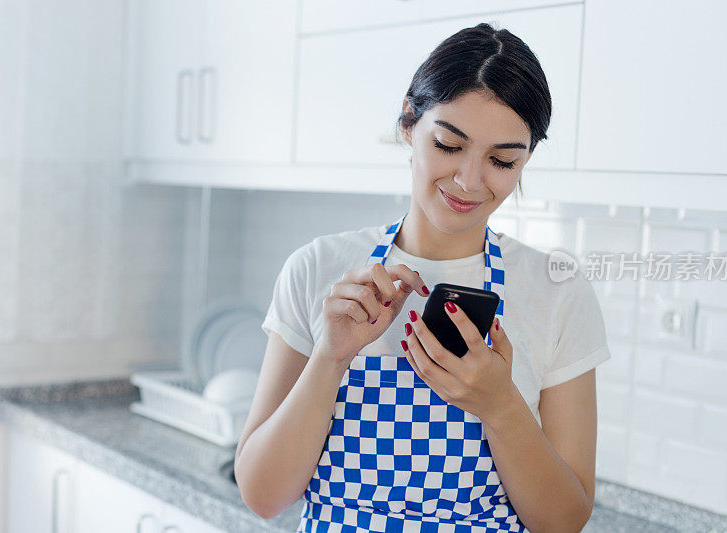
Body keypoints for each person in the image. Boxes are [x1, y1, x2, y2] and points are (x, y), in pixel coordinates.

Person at [235, 22, 611, 532]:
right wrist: (330, 356)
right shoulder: (317, 269)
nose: (469, 180)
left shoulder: (557, 292)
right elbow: (263, 496)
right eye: (449, 145)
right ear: (409, 124)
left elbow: (564, 521)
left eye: (502, 160)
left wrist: (500, 406)